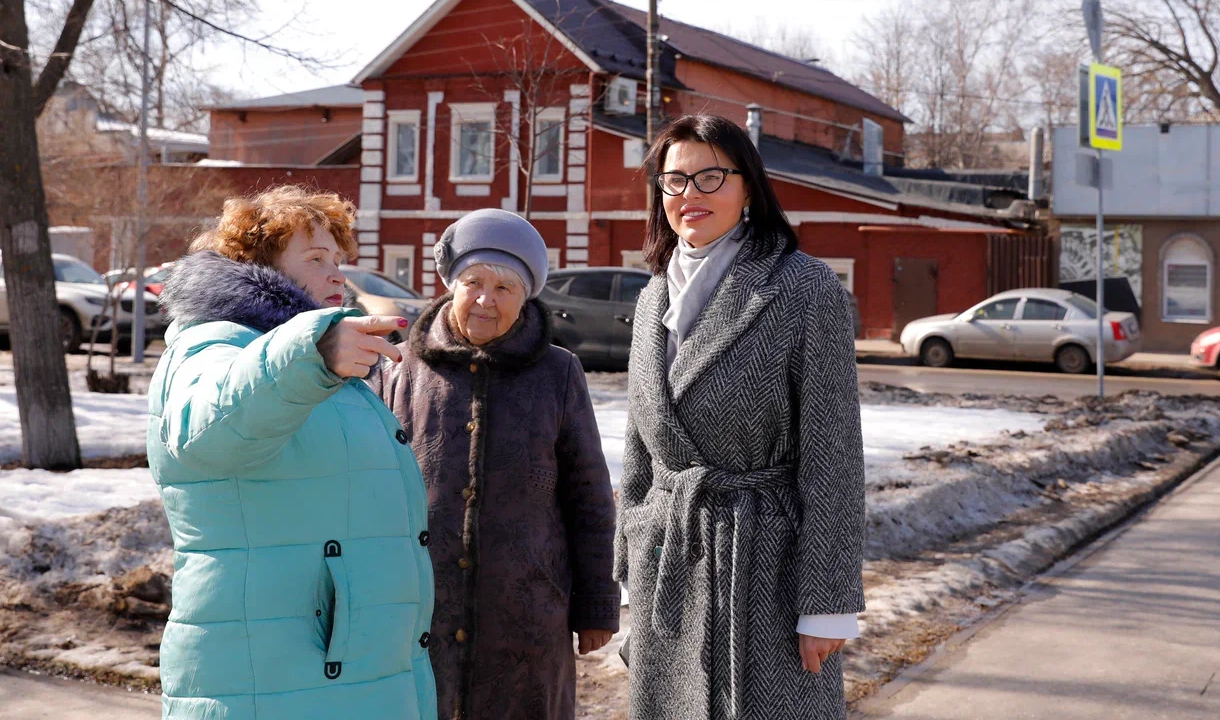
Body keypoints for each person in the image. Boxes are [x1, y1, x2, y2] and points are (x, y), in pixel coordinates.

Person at [149, 186, 436, 719]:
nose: (337, 276)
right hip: (273, 674)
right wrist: (308, 351)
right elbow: (206, 437)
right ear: (261, 268)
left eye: (337, 260)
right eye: (315, 259)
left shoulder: (309, 358)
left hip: (335, 672)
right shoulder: (214, 343)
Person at [615, 115, 865, 719]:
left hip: (766, 571)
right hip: (668, 568)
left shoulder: (804, 288)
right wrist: (630, 574)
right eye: (674, 181)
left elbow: (833, 456)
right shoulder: (653, 296)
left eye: (710, 177)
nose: (689, 196)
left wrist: (827, 603)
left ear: (748, 186)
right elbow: (641, 452)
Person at [370, 208, 620, 720]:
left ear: (526, 297)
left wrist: (596, 602)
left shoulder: (558, 372)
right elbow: (367, 488)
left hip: (528, 612)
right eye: (473, 282)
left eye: (505, 288)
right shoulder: (397, 368)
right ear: (450, 285)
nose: (486, 299)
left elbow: (589, 494)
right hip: (419, 609)